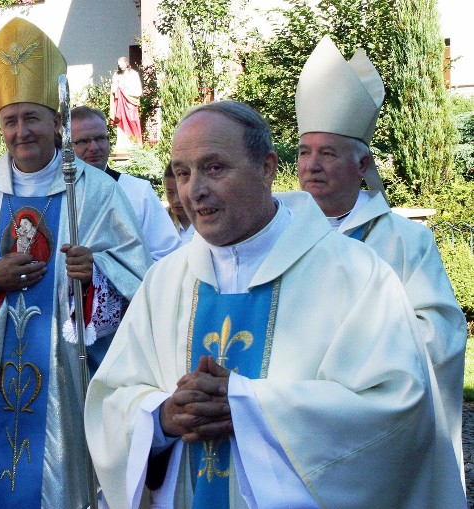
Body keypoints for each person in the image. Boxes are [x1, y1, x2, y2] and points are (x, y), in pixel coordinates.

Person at [84, 100, 465, 508]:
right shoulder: (165, 281)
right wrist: (161, 418)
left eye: (214, 167)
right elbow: (112, 399)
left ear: (266, 168)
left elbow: (396, 407)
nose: (194, 190)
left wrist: (248, 407)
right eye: (182, 173)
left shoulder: (355, 274)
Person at [0, 17, 150, 509]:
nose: (21, 131)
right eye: (10, 120)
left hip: (67, 377)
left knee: (61, 481)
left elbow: (139, 278)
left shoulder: (95, 193)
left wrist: (96, 275)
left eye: (32, 117)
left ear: (56, 121)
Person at [295, 35, 468, 484]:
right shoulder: (277, 233)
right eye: (303, 151)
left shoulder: (407, 240)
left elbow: (442, 336)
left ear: (362, 164)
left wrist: (352, 345)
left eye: (327, 153)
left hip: (377, 427)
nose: (311, 165)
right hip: (293, 419)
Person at [71, 105, 181, 259]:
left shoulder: (138, 191)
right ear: (66, 147)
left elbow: (169, 255)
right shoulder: (56, 194)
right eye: (83, 141)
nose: (94, 147)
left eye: (100, 138)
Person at [110, 56, 143, 151]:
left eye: (122, 64)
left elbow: (138, 91)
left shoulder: (133, 74)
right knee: (120, 121)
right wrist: (116, 86)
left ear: (126, 63)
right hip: (121, 103)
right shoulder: (117, 75)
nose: (120, 67)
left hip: (130, 102)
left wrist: (125, 89)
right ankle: (123, 145)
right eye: (119, 65)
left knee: (132, 120)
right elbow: (113, 89)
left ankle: (134, 143)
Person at [163, 160, 194, 244]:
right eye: (170, 192)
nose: (176, 200)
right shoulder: (160, 221)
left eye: (181, 192)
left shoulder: (210, 220)